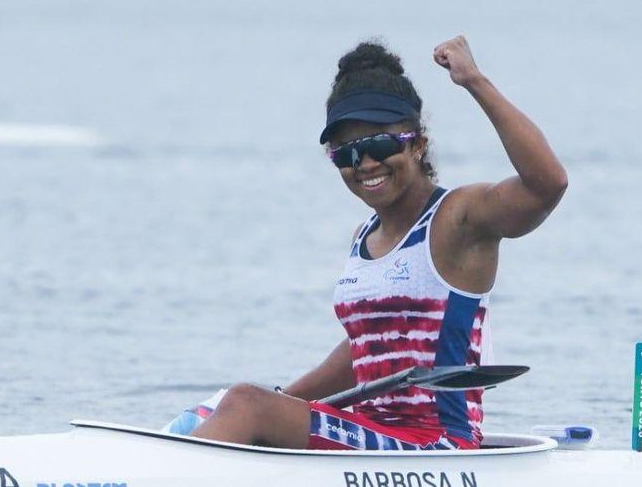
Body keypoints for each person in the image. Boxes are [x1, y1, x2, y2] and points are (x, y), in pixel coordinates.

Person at [190, 36, 567, 450]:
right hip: (372, 434)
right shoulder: (363, 237)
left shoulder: (459, 219)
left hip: (437, 446)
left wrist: (474, 81)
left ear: (417, 143)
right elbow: (366, 352)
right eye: (347, 154)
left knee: (245, 403)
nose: (365, 164)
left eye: (379, 144)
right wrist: (279, 403)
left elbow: (547, 185)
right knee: (229, 404)